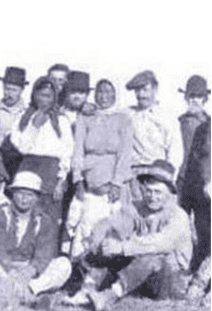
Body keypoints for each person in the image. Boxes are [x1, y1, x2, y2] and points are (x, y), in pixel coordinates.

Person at [82, 160, 192, 311]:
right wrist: (101, 236)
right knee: (110, 241)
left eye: (158, 192)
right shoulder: (138, 207)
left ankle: (109, 296)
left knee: (150, 256)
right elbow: (113, 222)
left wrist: (121, 247)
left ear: (169, 193)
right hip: (141, 274)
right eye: (149, 191)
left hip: (169, 280)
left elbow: (159, 244)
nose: (152, 197)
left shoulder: (178, 216)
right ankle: (87, 289)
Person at [0, 171, 72, 311]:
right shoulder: (1, 214)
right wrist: (11, 270)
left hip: (29, 270)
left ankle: (29, 290)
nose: (24, 199)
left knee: (64, 265)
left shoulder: (44, 220)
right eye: (20, 193)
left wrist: (30, 271)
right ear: (13, 194)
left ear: (36, 197)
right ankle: (30, 298)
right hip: (6, 268)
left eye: (30, 195)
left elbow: (44, 251)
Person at [66, 79, 134, 259]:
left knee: (111, 231)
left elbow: (125, 154)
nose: (103, 96)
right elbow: (78, 150)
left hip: (112, 187)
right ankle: (77, 271)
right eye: (100, 92)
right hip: (89, 185)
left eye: (108, 92)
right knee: (82, 229)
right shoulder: (86, 117)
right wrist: (78, 180)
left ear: (114, 95)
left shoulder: (123, 119)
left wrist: (117, 183)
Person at [8, 76, 73, 238]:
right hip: (28, 168)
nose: (44, 100)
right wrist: (34, 126)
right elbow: (21, 147)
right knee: (25, 213)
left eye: (48, 96)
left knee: (49, 217)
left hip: (51, 172)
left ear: (54, 98)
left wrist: (61, 180)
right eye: (41, 95)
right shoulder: (23, 118)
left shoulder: (61, 120)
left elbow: (67, 151)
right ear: (34, 95)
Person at [125, 70, 183, 199]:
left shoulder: (167, 117)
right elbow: (105, 114)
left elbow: (175, 152)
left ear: (155, 89)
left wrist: (166, 180)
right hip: (132, 175)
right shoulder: (127, 114)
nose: (141, 95)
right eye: (137, 91)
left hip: (158, 173)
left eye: (145, 90)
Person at [181, 116, 211, 304]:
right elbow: (205, 155)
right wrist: (208, 180)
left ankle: (200, 281)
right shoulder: (206, 129)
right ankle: (200, 280)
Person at [176, 75, 210, 196]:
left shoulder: (209, 124)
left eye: (199, 96)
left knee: (204, 215)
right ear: (186, 98)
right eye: (191, 96)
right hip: (182, 179)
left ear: (205, 99)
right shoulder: (178, 123)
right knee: (179, 214)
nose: (195, 100)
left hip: (204, 180)